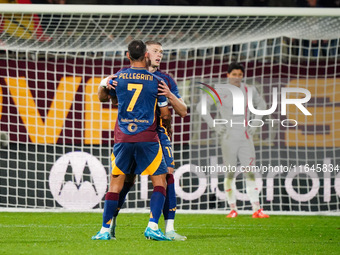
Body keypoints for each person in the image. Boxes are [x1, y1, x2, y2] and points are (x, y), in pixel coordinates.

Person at [102, 41, 187, 241]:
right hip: (141, 135)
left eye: (162, 52)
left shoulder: (165, 79)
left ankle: (169, 229)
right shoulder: (127, 75)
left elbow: (183, 110)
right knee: (127, 180)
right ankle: (112, 222)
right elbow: (113, 100)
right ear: (146, 54)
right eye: (156, 51)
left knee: (167, 176)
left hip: (156, 134)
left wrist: (169, 95)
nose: (160, 55)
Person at [198, 62, 269, 218]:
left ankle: (256, 209)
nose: (237, 78)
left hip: (245, 136)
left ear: (243, 75)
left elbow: (262, 104)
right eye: (234, 74)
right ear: (228, 75)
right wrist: (213, 124)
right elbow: (200, 106)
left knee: (249, 171)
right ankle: (232, 208)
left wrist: (256, 123)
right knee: (230, 172)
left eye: (240, 75)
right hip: (228, 137)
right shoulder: (219, 90)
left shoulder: (249, 90)